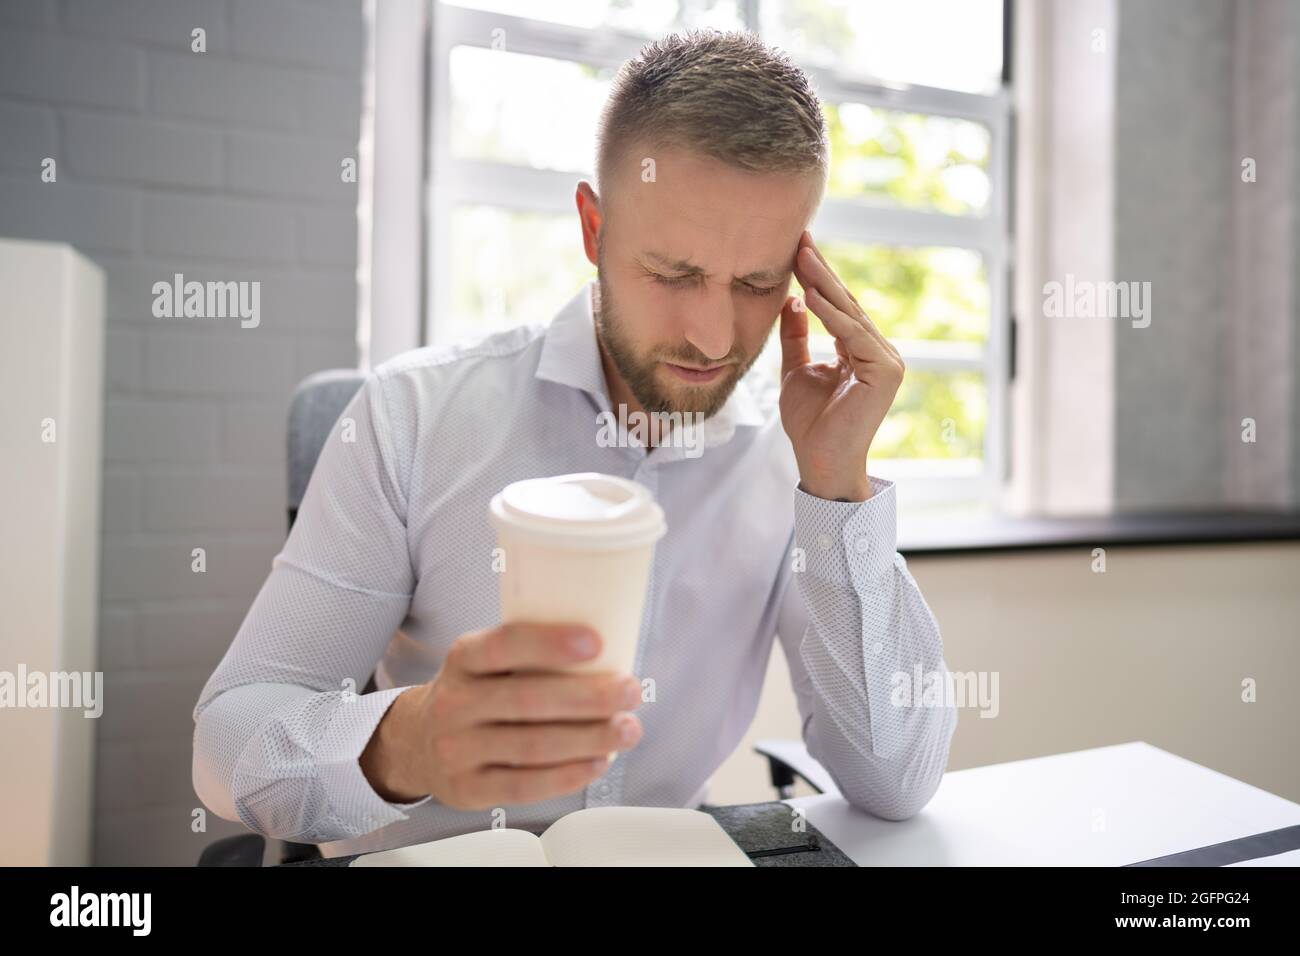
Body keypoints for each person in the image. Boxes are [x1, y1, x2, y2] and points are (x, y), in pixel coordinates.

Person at [192, 29, 958, 859]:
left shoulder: (792, 461)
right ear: (594, 228)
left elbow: (898, 781)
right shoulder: (412, 415)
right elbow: (225, 738)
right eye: (672, 274)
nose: (710, 337)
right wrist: (404, 741)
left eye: (756, 283)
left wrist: (838, 489)